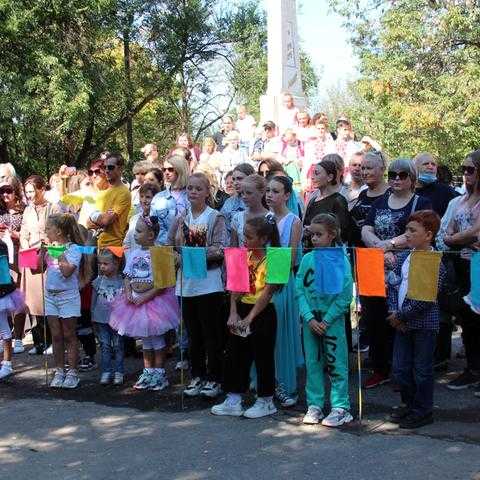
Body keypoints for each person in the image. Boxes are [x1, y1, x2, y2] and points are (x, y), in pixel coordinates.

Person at [361, 158, 431, 388]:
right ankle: (380, 368)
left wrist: (389, 245)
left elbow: (418, 232)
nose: (397, 179)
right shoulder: (380, 201)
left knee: (402, 316)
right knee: (374, 317)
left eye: (403, 175)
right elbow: (366, 229)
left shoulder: (421, 202)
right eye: (393, 175)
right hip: (375, 265)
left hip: (406, 265)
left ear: (412, 178)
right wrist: (380, 247)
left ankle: (402, 372)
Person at [211, 215, 280, 418]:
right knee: (235, 354)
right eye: (244, 235)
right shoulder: (242, 255)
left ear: (263, 239)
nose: (245, 240)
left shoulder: (275, 258)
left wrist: (249, 319)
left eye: (249, 237)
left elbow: (267, 293)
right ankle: (233, 398)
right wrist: (233, 313)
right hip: (242, 308)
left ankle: (266, 400)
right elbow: (235, 286)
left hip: (263, 312)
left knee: (263, 356)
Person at [168, 173, 228, 398]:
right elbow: (170, 244)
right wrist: (176, 255)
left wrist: (193, 255)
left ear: (206, 192)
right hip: (186, 284)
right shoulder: (181, 218)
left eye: (198, 189)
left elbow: (220, 248)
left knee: (211, 334)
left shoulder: (215, 217)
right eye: (190, 188)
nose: (193, 192)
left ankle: (215, 378)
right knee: (193, 334)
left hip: (209, 284)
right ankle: (197, 375)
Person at [387, 210, 446, 428]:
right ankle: (409, 404)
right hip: (401, 323)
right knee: (400, 368)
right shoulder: (404, 257)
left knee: (422, 370)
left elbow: (425, 300)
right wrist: (393, 311)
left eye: (413, 230)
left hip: (423, 325)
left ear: (428, 235)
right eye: (406, 229)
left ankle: (423, 410)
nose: (407, 234)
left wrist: (401, 315)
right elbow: (393, 284)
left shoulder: (434, 262)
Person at [109, 216, 180, 390]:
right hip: (136, 303)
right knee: (146, 341)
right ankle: (148, 372)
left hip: (155, 303)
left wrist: (145, 296)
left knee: (157, 339)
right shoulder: (134, 253)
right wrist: (128, 292)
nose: (135, 234)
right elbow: (127, 276)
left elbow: (163, 284)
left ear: (150, 235)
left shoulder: (161, 253)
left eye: (139, 231)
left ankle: (159, 373)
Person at [296, 213, 353, 426]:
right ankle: (315, 404)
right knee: (313, 363)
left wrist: (327, 320)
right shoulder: (307, 259)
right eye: (312, 235)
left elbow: (345, 295)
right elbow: (299, 289)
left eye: (319, 235)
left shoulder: (341, 260)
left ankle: (340, 407)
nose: (314, 239)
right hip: (311, 321)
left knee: (336, 363)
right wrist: (309, 317)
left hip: (332, 321)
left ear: (332, 235)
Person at [443, 150, 480, 391]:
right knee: (468, 320)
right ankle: (473, 369)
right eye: (463, 169)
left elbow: (475, 233)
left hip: (478, 265)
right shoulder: (460, 200)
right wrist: (457, 238)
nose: (465, 174)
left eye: (470, 169)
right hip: (462, 265)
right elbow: (447, 231)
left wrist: (455, 238)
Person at [265, 176, 303, 407]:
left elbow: (290, 257)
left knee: (280, 332)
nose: (270, 195)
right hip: (263, 279)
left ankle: (284, 384)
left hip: (280, 281)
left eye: (275, 191)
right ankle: (266, 381)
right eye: (268, 190)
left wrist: (271, 272)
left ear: (287, 195)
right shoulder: (265, 218)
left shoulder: (293, 221)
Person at [42, 214, 89, 389]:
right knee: (55, 335)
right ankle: (59, 370)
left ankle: (72, 372)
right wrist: (41, 254)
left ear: (59, 231)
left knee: (69, 335)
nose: (46, 231)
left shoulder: (73, 249)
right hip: (50, 296)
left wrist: (58, 253)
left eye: (48, 228)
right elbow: (36, 269)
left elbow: (67, 272)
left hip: (68, 296)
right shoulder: (50, 248)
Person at [20, 175, 59, 355]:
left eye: (32, 191)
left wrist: (46, 247)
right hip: (30, 257)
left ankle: (53, 341)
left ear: (42, 189)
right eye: (27, 192)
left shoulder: (53, 208)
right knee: (33, 302)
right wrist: (26, 247)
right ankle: (39, 342)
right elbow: (24, 233)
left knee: (47, 301)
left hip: (47, 256)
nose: (29, 195)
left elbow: (57, 232)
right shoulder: (28, 210)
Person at [0, 177, 26, 353]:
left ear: (16, 192)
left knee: (16, 296)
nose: (5, 194)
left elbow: (28, 234)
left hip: (17, 256)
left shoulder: (24, 212)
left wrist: (13, 234)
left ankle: (18, 337)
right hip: (1, 258)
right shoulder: (0, 211)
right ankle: (4, 335)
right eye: (2, 191)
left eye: (8, 190)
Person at [91, 249, 125, 385]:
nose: (102, 266)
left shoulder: (122, 281)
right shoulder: (98, 281)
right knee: (105, 345)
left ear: (116, 264)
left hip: (118, 319)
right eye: (100, 264)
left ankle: (119, 372)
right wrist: (92, 314)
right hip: (101, 319)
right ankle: (106, 371)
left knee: (118, 345)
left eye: (105, 264)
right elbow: (94, 299)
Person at [303, 159, 349, 247]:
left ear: (330, 177)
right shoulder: (313, 200)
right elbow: (306, 224)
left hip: (329, 250)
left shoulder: (338, 200)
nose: (312, 177)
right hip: (311, 249)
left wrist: (316, 230)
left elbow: (341, 230)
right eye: (312, 173)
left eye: (316, 173)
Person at [88, 153, 131, 248]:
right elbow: (89, 223)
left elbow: (106, 220)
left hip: (113, 247)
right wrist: (97, 217)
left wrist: (95, 217)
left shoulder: (123, 192)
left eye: (111, 167)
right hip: (99, 245)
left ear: (120, 169)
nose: (107, 170)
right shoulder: (105, 192)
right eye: (105, 167)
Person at [0, 239, 26, 379]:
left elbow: (4, 272)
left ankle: (7, 364)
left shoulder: (1, 245)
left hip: (1, 292)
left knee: (4, 329)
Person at [150, 155, 190, 245]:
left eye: (170, 169)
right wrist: (170, 243)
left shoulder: (192, 196)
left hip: (188, 247)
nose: (166, 172)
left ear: (180, 169)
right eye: (164, 169)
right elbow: (155, 227)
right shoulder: (158, 198)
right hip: (164, 247)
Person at [415, 152, 458, 218]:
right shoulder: (407, 191)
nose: (430, 167)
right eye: (426, 164)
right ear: (415, 168)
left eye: (433, 164)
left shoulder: (446, 191)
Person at [231, 174, 268, 246]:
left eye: (249, 193)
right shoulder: (237, 218)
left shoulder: (270, 217)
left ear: (262, 192)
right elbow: (234, 247)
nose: (244, 196)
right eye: (242, 193)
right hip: (242, 253)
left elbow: (276, 246)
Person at [124, 183, 160, 256]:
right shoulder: (134, 219)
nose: (143, 200)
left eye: (148, 197)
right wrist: (130, 258)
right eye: (141, 196)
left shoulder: (160, 221)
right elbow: (127, 243)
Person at [220, 163, 255, 236]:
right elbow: (223, 232)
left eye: (239, 179)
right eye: (234, 179)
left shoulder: (262, 200)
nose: (235, 183)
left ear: (251, 178)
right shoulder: (229, 203)